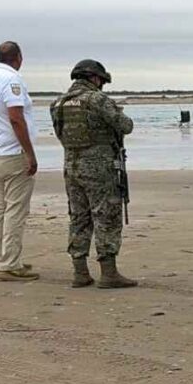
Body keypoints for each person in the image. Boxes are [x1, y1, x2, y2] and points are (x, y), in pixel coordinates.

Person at [51, 59, 136, 288]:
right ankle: (109, 273)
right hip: (100, 169)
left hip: (72, 168)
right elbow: (126, 125)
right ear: (95, 78)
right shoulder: (97, 99)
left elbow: (60, 134)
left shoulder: (59, 103)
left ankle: (80, 272)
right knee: (106, 216)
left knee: (79, 218)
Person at [0, 41, 40, 281]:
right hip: (12, 153)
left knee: (2, 208)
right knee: (15, 210)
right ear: (18, 58)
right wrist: (30, 153)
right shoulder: (11, 80)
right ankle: (9, 263)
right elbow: (16, 118)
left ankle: (5, 257)